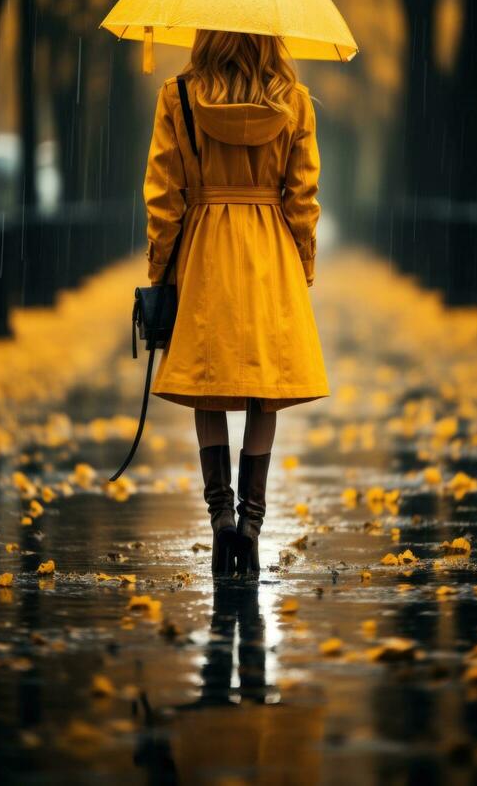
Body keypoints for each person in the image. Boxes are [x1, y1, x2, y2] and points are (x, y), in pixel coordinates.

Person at [143, 29, 330, 577]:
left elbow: (163, 194)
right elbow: (303, 196)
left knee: (209, 380)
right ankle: (251, 524)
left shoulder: (179, 96)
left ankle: (220, 516)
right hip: (271, 249)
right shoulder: (293, 100)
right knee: (261, 392)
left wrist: (160, 268)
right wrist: (304, 265)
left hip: (204, 249)